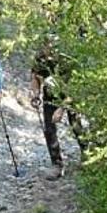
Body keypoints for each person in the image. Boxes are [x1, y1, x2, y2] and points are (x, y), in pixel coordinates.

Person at [30, 37, 87, 180]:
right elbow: (35, 78)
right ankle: (56, 163)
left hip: (69, 95)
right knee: (49, 129)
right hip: (50, 95)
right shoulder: (40, 59)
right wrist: (35, 94)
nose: (49, 51)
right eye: (47, 47)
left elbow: (74, 88)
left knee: (76, 125)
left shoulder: (68, 60)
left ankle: (87, 155)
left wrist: (61, 109)